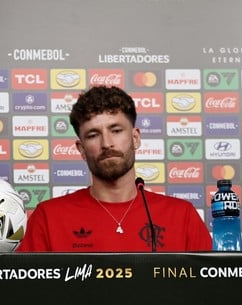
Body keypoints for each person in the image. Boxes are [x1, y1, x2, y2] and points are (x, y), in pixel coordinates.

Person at [16, 86, 212, 252]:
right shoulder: (49, 217)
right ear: (81, 149)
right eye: (93, 135)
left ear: (135, 138)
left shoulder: (182, 215)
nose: (107, 143)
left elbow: (208, 293)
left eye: (116, 131)